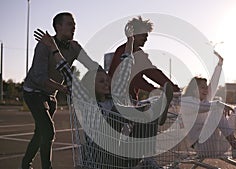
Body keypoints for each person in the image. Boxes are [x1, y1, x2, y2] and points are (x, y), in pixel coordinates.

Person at [33, 25, 172, 168]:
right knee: (120, 110)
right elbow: (66, 70)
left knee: (139, 117)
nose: (107, 84)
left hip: (119, 155)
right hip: (100, 157)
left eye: (107, 80)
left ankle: (153, 109)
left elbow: (126, 65)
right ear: (90, 85)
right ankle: (148, 109)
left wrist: (130, 41)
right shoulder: (85, 100)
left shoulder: (114, 96)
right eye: (101, 81)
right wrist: (53, 47)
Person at [20, 12, 100, 169]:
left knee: (40, 133)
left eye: (74, 24)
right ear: (58, 27)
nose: (74, 27)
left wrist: (106, 76)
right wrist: (64, 88)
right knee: (48, 132)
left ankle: (25, 165)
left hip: (51, 94)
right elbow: (39, 78)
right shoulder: (44, 45)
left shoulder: (74, 47)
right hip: (34, 92)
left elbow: (91, 65)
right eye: (70, 24)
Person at [179, 51, 236, 158]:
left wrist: (219, 64)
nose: (206, 90)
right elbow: (201, 108)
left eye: (206, 87)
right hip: (202, 146)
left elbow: (213, 84)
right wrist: (220, 105)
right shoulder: (186, 101)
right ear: (194, 88)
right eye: (202, 87)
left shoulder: (205, 100)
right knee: (217, 111)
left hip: (217, 144)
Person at [108, 16, 180, 101]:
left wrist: (173, 88)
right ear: (134, 34)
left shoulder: (139, 54)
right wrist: (154, 90)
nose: (146, 39)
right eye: (144, 35)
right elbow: (132, 79)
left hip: (130, 99)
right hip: (116, 100)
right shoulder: (122, 52)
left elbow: (152, 72)